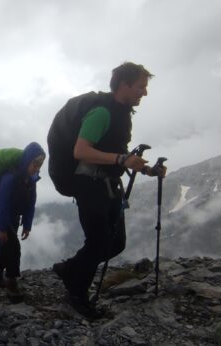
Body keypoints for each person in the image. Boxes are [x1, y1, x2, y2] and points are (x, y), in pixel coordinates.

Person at [49, 62, 166, 318]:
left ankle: (70, 269)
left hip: (108, 184)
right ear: (124, 85)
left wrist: (145, 170)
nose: (144, 93)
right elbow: (81, 151)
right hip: (88, 184)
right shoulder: (102, 112)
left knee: (116, 243)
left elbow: (114, 150)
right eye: (141, 87)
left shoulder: (122, 113)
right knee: (99, 241)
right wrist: (121, 161)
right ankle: (77, 296)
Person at [0, 142, 45, 300]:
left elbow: (30, 204)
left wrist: (27, 225)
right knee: (13, 247)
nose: (37, 168)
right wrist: (1, 229)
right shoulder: (10, 177)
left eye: (39, 165)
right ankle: (11, 284)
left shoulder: (30, 180)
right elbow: (3, 204)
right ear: (27, 160)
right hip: (0, 214)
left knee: (6, 246)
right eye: (35, 164)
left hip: (13, 216)